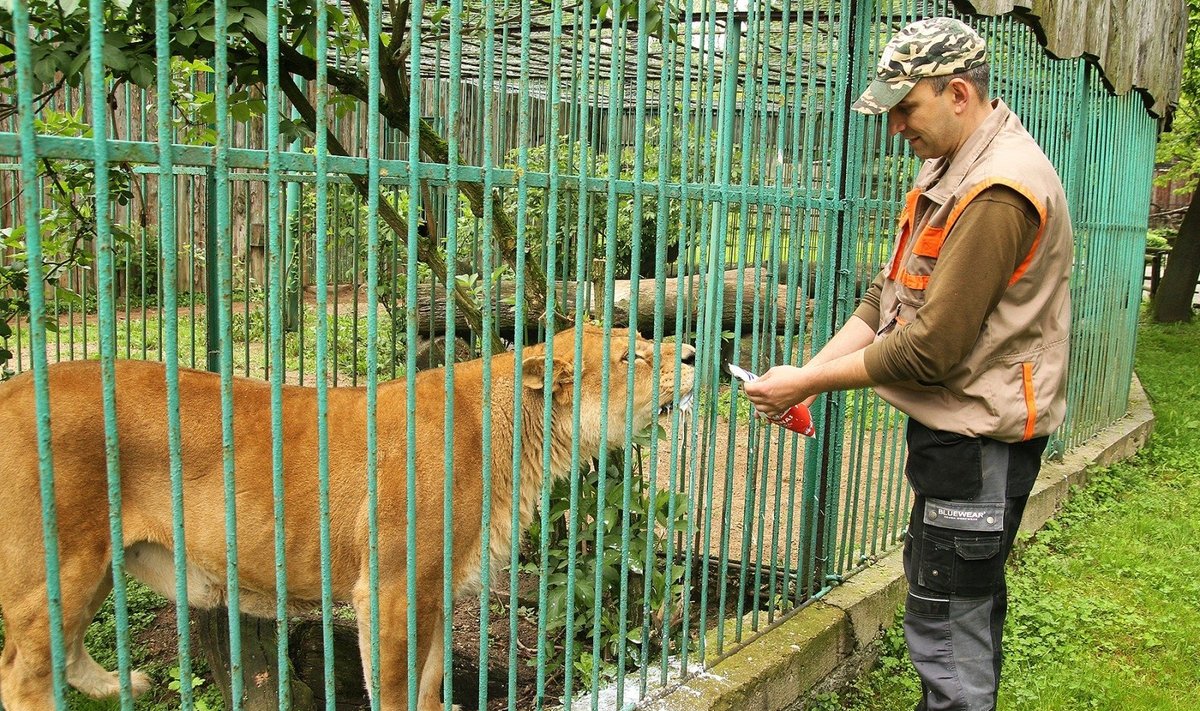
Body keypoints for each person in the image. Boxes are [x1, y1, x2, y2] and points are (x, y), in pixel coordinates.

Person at [742, 16, 1072, 711]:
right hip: (955, 438)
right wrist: (808, 372)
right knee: (949, 605)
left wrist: (807, 381)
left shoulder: (997, 191)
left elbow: (929, 349)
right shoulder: (950, 166)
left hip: (977, 444)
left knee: (950, 632)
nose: (895, 127)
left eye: (904, 108)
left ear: (957, 93)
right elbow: (887, 297)